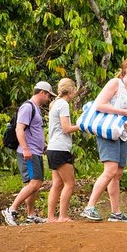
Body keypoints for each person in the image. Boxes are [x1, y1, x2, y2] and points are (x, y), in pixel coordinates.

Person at [80, 59, 127, 222]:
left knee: (117, 173)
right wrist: (123, 111)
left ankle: (115, 213)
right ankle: (89, 207)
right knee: (110, 170)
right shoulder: (115, 83)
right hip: (108, 131)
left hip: (121, 134)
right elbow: (99, 105)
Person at [1, 81, 56, 226]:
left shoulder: (36, 108)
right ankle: (11, 209)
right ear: (42, 93)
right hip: (28, 153)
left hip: (35, 152)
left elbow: (34, 131)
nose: (49, 99)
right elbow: (20, 129)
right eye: (49, 95)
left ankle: (31, 215)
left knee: (33, 185)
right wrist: (25, 149)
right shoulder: (27, 107)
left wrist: (43, 146)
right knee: (34, 183)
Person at [46, 78, 80, 222]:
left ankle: (51, 217)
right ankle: (63, 216)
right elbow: (66, 128)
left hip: (52, 148)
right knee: (69, 183)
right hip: (60, 148)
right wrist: (82, 125)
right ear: (71, 90)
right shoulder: (63, 104)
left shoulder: (55, 104)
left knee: (58, 184)